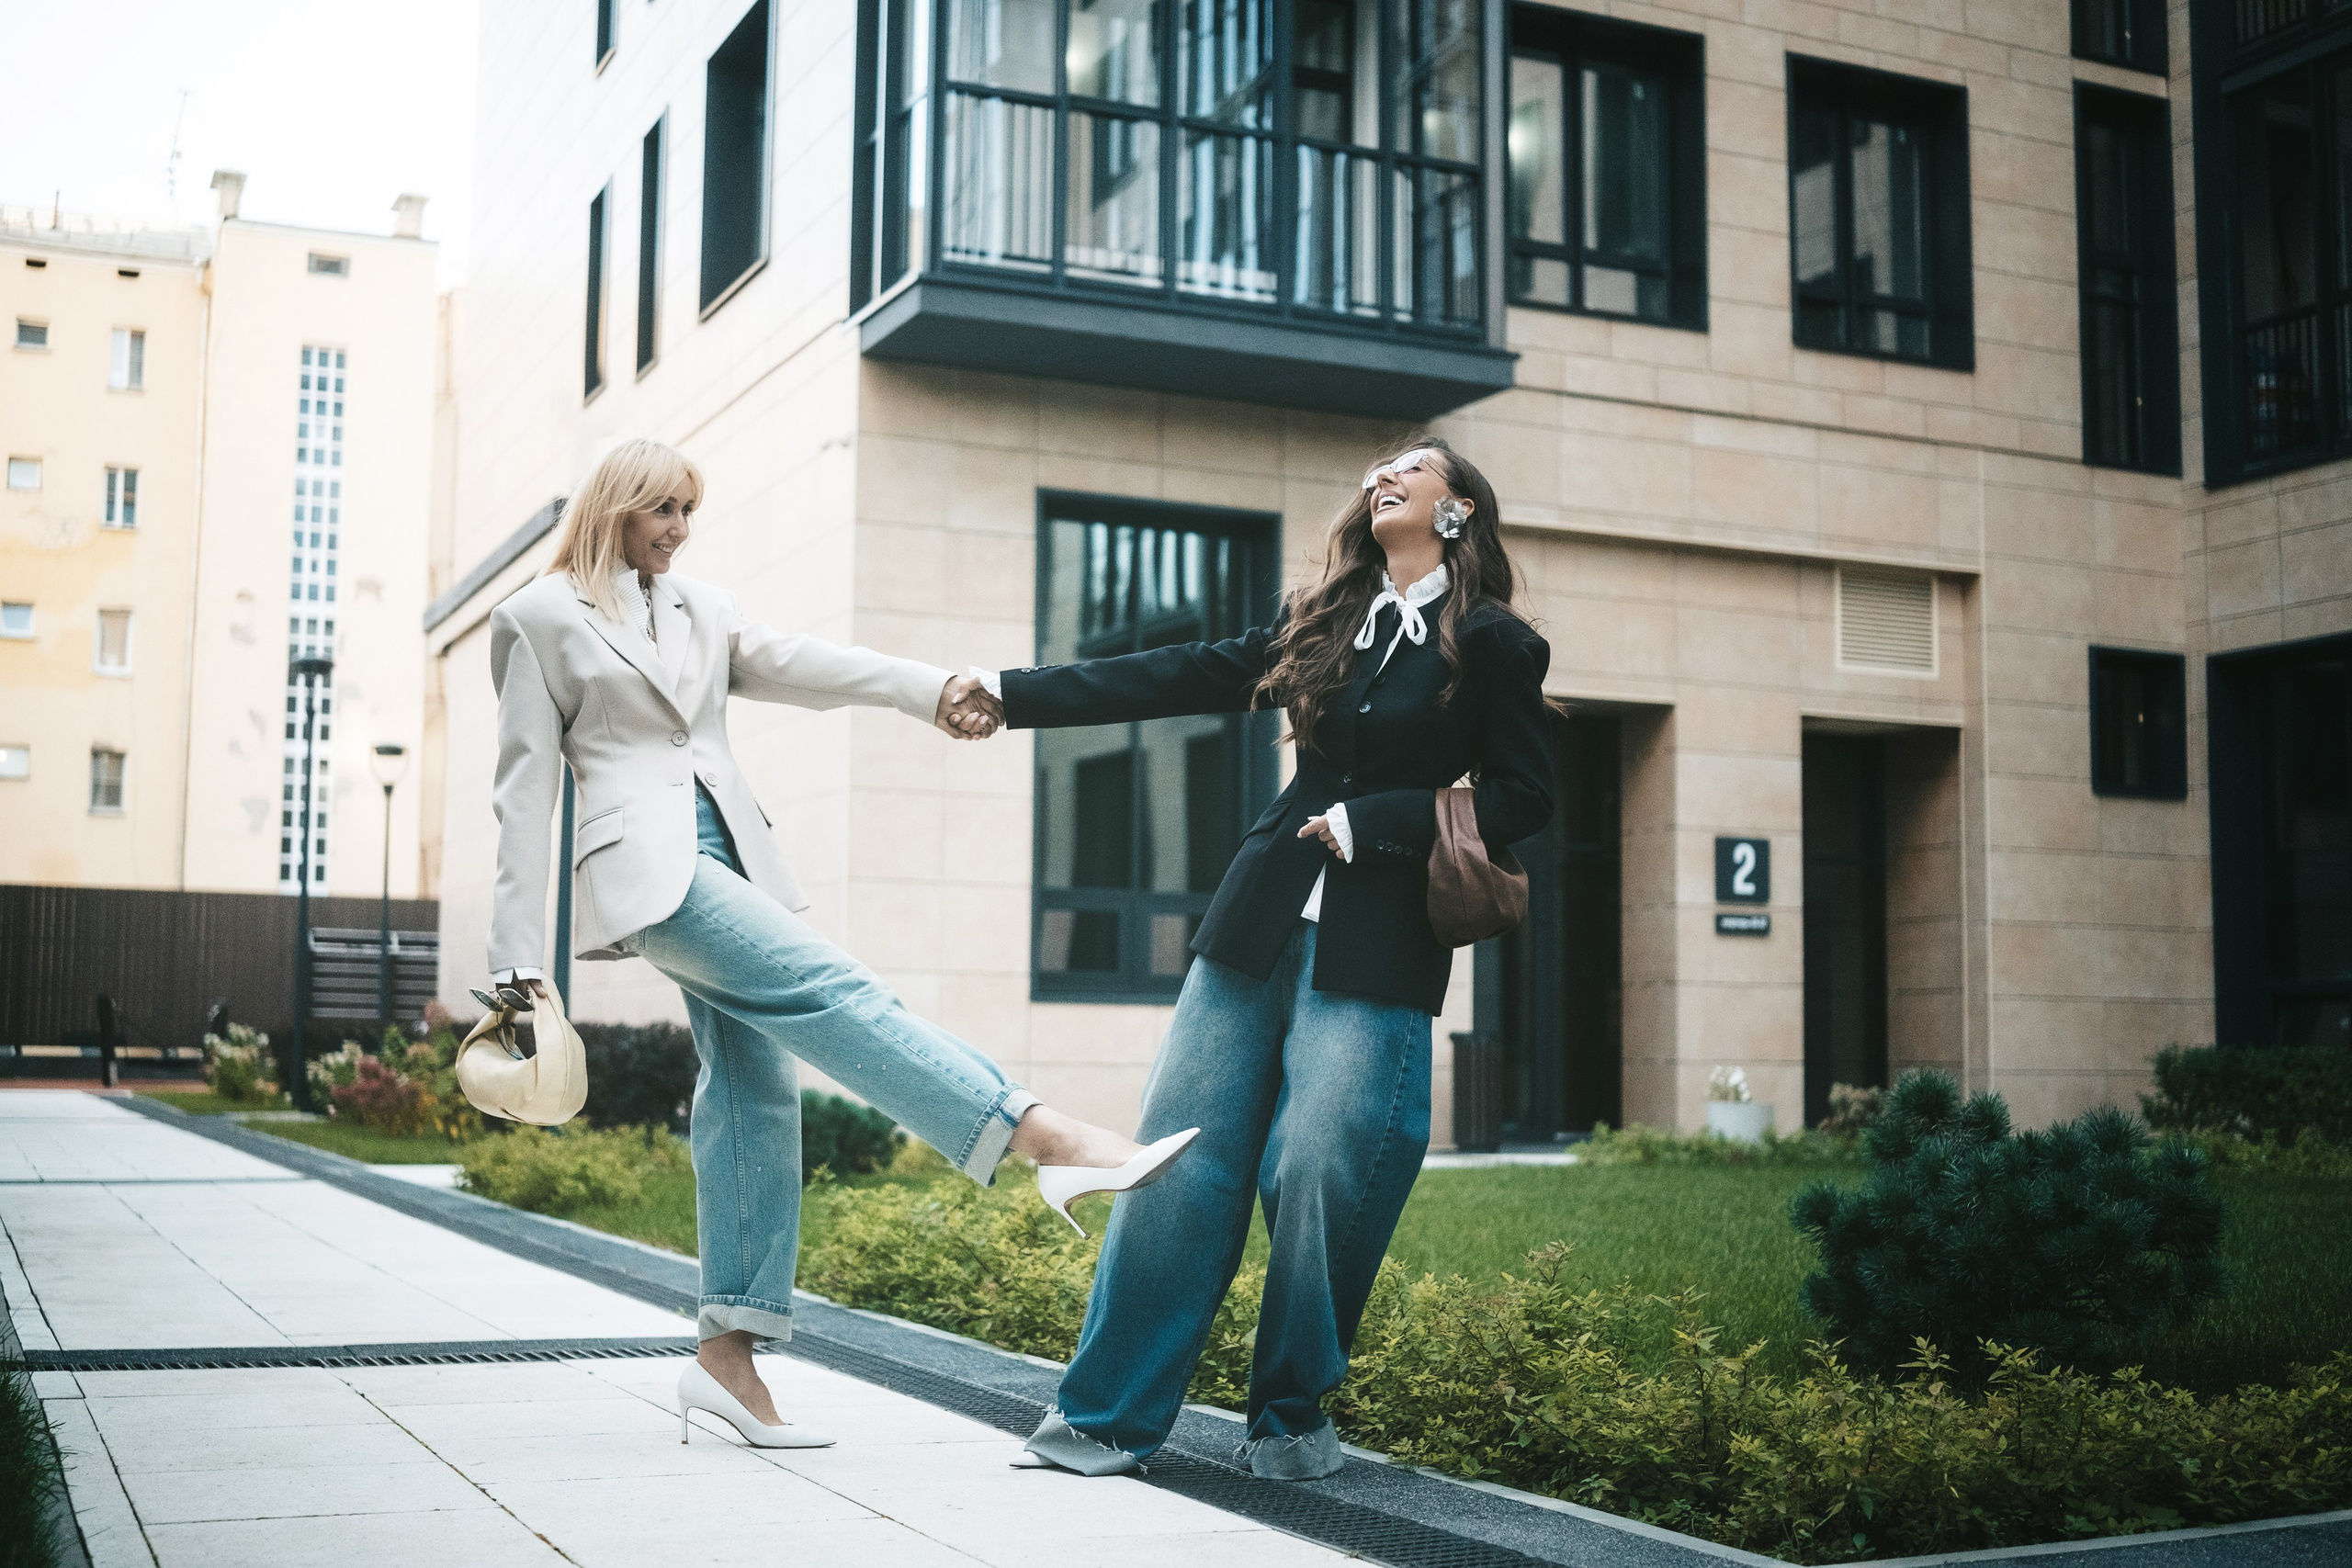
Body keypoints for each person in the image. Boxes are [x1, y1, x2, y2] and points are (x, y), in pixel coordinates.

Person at [487, 438, 1196, 1450]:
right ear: (616, 506)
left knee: (749, 1090)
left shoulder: (700, 608)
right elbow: (521, 794)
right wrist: (516, 966)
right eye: (664, 511)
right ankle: (1042, 1138)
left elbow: (807, 667)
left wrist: (931, 686)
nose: (680, 530)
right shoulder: (540, 617)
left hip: (730, 854)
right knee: (836, 991)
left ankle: (726, 1359)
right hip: (650, 876)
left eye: (690, 510)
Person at [981, 436, 1555, 1481]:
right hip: (1256, 926)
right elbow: (1172, 671)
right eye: (1376, 465)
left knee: (1317, 1169)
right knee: (1179, 1162)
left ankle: (1289, 1417)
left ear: (1459, 506)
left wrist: (1375, 821)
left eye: (1412, 467)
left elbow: (1524, 796)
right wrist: (1008, 693)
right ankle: (1105, 1415)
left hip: (1379, 947)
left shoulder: (1494, 643)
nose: (1382, 473)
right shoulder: (1321, 620)